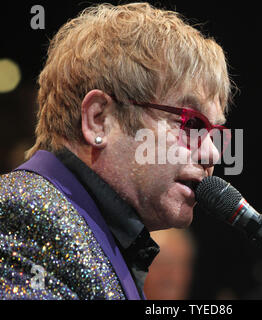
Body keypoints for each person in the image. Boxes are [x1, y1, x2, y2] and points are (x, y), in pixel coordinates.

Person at [0, 2, 234, 299]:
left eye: (215, 132)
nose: (212, 154)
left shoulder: (88, 230)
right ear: (99, 120)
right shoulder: (23, 217)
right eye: (191, 124)